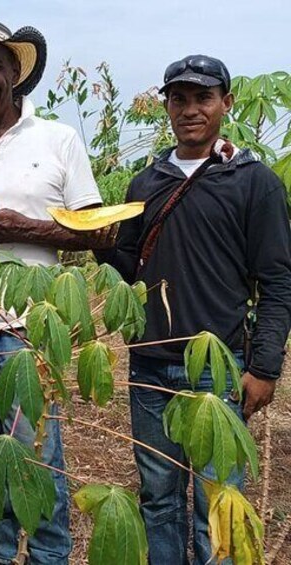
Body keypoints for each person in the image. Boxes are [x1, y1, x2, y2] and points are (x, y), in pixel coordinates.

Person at [95, 55, 291, 564]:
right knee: (158, 496)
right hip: (151, 364)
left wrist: (265, 367)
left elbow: (276, 281)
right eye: (178, 99)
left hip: (218, 369)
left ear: (225, 103)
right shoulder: (146, 184)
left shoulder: (255, 183)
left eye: (203, 98)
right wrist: (97, 244)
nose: (190, 110)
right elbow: (129, 276)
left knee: (218, 503)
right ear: (166, 106)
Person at [0, 20, 112, 564]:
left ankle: (49, 555)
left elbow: (99, 229)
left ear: (16, 73)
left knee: (37, 460)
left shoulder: (58, 139)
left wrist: (28, 229)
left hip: (29, 330)